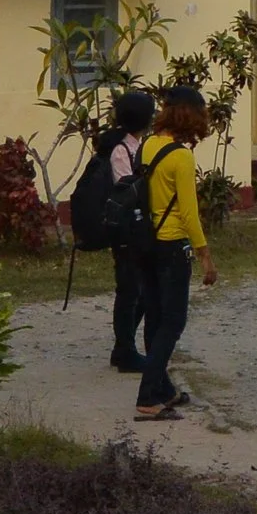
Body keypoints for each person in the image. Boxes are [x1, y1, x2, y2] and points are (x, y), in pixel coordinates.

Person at [133, 86, 219, 421]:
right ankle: (147, 397)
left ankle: (163, 388)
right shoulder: (181, 156)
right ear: (191, 117)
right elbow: (189, 215)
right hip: (171, 245)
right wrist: (205, 256)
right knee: (173, 322)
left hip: (145, 242)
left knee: (155, 318)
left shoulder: (147, 145)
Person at [100, 87, 158, 373]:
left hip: (138, 228)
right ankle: (124, 350)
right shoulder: (121, 151)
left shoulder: (136, 146)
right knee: (129, 290)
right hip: (125, 230)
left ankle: (123, 345)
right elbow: (127, 191)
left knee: (142, 290)